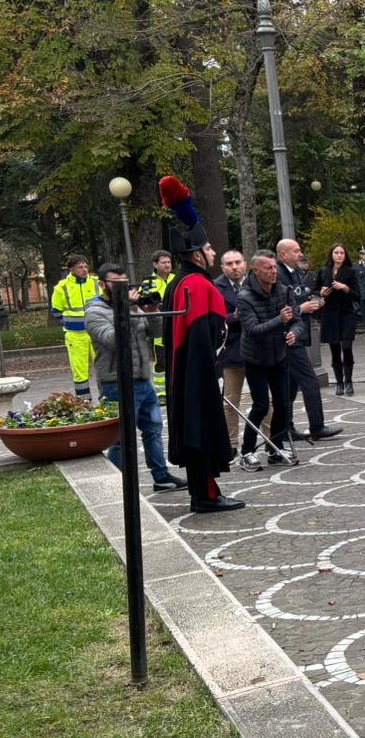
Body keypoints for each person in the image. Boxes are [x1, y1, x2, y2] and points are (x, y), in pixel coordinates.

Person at [157, 176, 241, 512]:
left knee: (196, 432)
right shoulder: (198, 285)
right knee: (203, 431)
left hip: (184, 374)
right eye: (208, 249)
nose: (213, 252)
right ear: (195, 254)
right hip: (200, 374)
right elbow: (211, 334)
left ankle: (204, 491)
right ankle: (206, 496)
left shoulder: (177, 282)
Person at [84, 264, 186, 493]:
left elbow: (156, 332)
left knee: (154, 429)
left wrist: (151, 312)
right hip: (116, 383)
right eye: (116, 283)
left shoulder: (133, 307)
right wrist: (128, 309)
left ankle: (161, 477)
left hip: (142, 379)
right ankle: (117, 485)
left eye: (125, 282)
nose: (123, 287)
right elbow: (113, 340)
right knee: (120, 438)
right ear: (102, 284)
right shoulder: (94, 312)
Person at [275, 238, 343, 441]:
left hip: (299, 332)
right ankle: (316, 426)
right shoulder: (277, 274)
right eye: (295, 251)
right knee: (310, 381)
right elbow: (280, 305)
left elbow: (298, 296)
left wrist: (313, 300)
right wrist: (301, 308)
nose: (300, 254)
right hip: (289, 336)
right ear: (283, 254)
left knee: (290, 385)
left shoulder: (295, 272)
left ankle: (285, 428)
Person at [235, 250, 296, 471]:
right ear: (256, 270)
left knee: (282, 403)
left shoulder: (283, 290)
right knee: (261, 405)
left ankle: (275, 447)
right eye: (268, 268)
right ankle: (247, 451)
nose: (273, 271)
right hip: (255, 358)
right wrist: (279, 320)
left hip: (278, 354)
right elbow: (252, 330)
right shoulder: (245, 297)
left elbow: (296, 318)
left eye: (274, 267)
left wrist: (293, 332)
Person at [214, 249, 249, 453]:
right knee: (230, 401)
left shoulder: (255, 282)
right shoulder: (216, 287)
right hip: (231, 350)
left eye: (237, 262)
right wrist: (234, 317)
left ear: (244, 263)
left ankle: (272, 440)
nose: (234, 267)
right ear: (223, 268)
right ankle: (232, 444)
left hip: (256, 349)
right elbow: (216, 318)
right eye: (229, 264)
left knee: (266, 400)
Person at [49, 254, 98, 397]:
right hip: (75, 335)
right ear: (71, 269)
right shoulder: (62, 287)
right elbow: (56, 311)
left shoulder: (96, 283)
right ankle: (85, 403)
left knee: (104, 367)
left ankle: (108, 401)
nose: (84, 269)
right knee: (80, 372)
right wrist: (70, 323)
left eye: (86, 266)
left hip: (96, 333)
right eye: (80, 267)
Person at [315, 242, 360, 396]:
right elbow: (314, 290)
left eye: (341, 253)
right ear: (331, 255)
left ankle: (349, 381)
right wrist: (321, 292)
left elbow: (357, 295)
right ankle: (339, 382)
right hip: (329, 314)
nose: (339, 255)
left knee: (347, 347)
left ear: (345, 255)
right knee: (334, 350)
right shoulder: (323, 271)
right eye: (336, 252)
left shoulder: (350, 272)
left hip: (346, 313)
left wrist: (345, 288)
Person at [140, 249, 174, 398]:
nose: (167, 265)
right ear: (155, 264)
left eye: (169, 262)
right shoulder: (148, 282)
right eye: (163, 262)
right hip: (159, 328)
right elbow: (144, 304)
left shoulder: (177, 278)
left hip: (178, 324)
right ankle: (161, 393)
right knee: (161, 361)